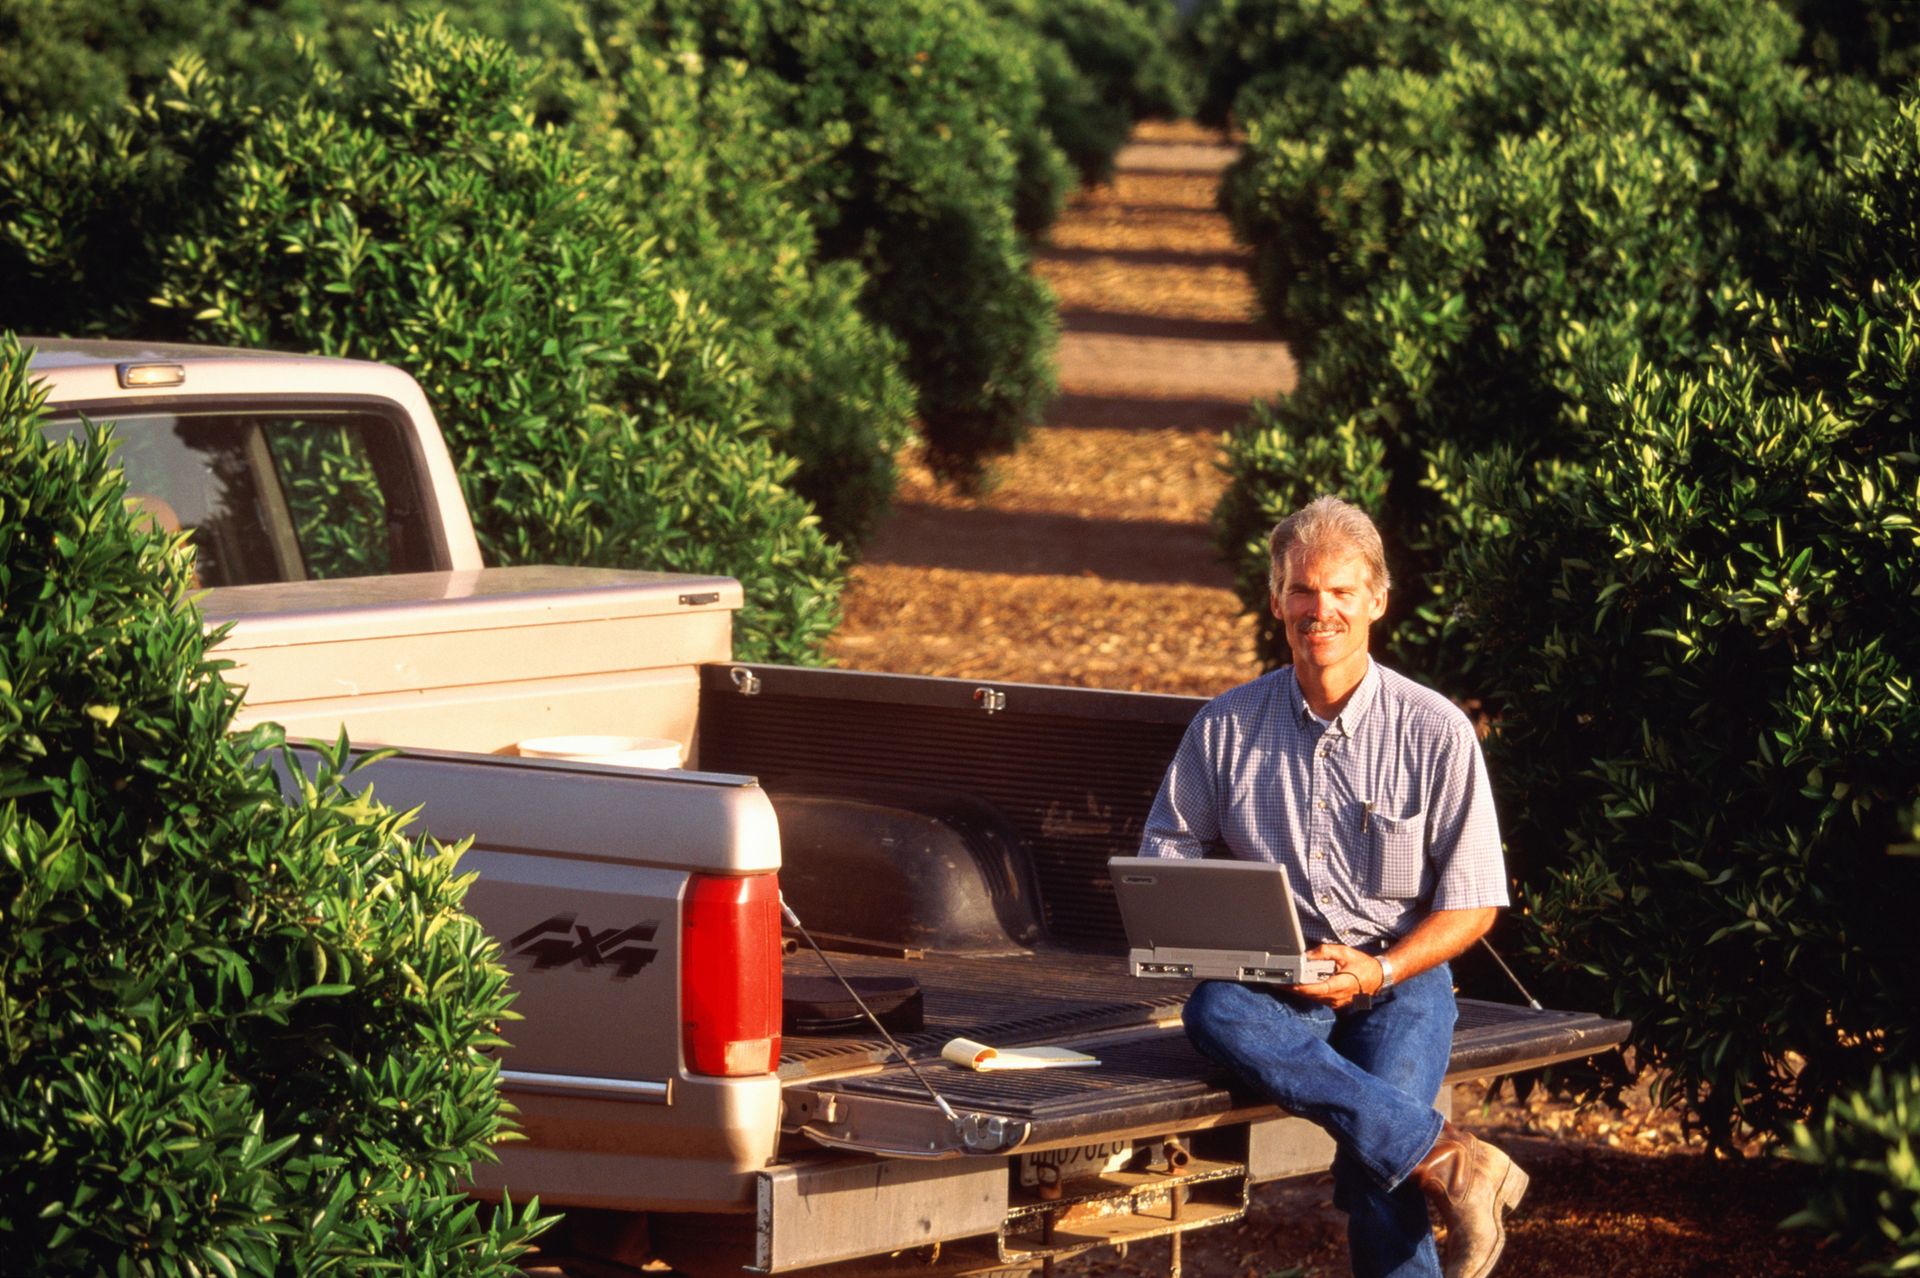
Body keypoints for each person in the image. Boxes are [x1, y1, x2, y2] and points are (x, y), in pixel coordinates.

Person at [1139, 496, 1524, 1278]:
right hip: (1280, 981)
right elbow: (1167, 852)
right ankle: (1453, 1159)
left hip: (1400, 978)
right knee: (1214, 1009)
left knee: (1373, 1168)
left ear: (1377, 601)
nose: (1323, 611)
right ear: (1277, 600)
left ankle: (1430, 1158)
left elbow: (1476, 900)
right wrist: (1222, 926)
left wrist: (1377, 970)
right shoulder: (1226, 726)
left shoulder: (1435, 730)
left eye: (1343, 592)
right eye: (1305, 591)